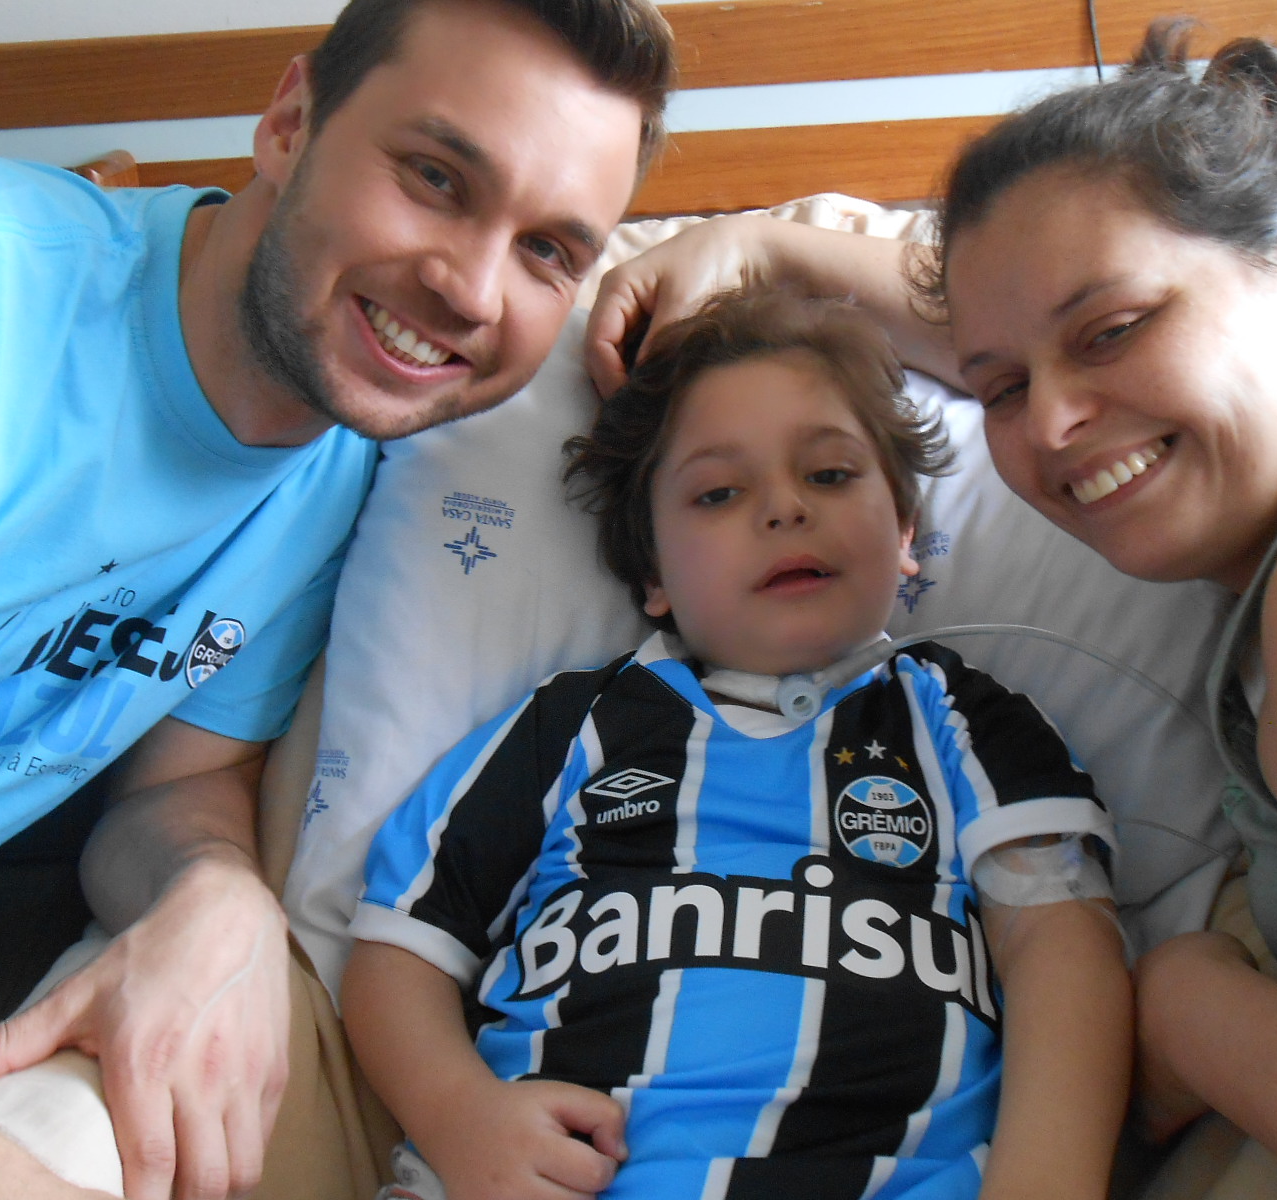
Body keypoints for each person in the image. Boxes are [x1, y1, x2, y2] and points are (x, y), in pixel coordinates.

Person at [0, 1, 675, 1197]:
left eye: (548, 252)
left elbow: (177, 780)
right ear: (288, 120)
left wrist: (212, 889)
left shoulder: (349, 470)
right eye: (434, 177)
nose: (470, 290)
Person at [586, 22, 1277, 1200]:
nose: (1056, 423)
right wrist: (769, 247)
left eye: (1113, 330)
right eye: (1002, 390)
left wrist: (1190, 1012)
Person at [339, 289, 1132, 1200]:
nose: (785, 508)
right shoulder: (569, 729)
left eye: (831, 475)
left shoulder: (962, 722)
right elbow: (399, 950)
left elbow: (1065, 952)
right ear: (652, 575)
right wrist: (455, 1115)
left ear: (906, 531)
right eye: (718, 493)